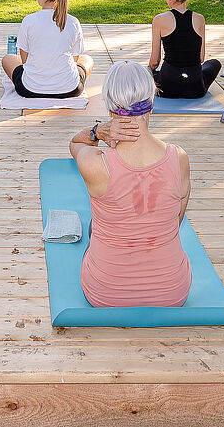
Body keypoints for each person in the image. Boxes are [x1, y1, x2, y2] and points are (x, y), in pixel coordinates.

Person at [73, 61, 192, 308]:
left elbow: (75, 143)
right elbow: (176, 219)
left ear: (110, 108)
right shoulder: (178, 157)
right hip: (172, 293)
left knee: (96, 226)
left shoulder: (96, 164)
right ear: (152, 101)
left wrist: (97, 131)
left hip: (106, 295)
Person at [1, 0, 93, 98]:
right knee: (87, 59)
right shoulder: (73, 22)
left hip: (30, 88)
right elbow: (75, 59)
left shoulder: (29, 20)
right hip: (70, 89)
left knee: (8, 59)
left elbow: (24, 61)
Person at [146, 0, 222, 99]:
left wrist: (148, 73)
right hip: (195, 88)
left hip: (166, 87)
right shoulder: (199, 19)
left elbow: (154, 62)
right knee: (214, 63)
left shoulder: (159, 19)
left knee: (148, 72)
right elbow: (201, 58)